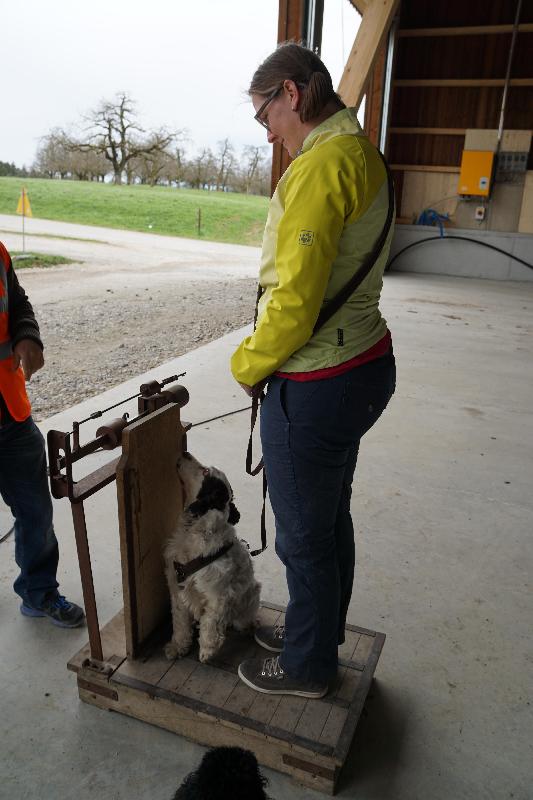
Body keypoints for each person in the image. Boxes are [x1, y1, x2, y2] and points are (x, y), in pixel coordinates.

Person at [231, 44, 396, 698]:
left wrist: (248, 364)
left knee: (303, 538)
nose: (267, 131)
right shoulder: (362, 154)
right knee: (326, 522)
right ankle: (317, 635)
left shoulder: (320, 166)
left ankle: (306, 668)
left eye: (264, 114)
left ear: (292, 94)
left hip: (318, 379)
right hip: (363, 364)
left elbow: (295, 304)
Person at [0, 240, 84, 628]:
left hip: (11, 415)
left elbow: (17, 303)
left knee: (36, 513)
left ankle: (40, 592)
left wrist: (27, 336)